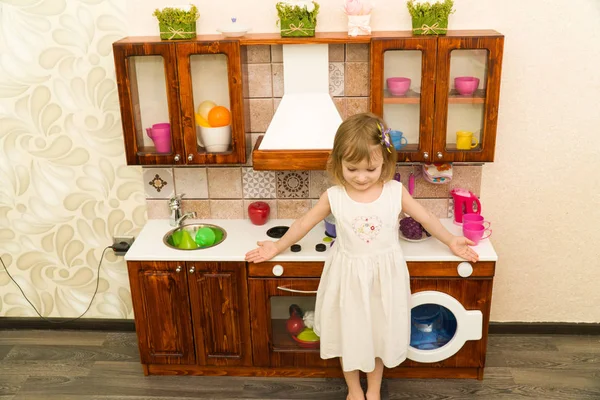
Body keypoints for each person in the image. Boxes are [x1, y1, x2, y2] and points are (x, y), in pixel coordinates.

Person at [245, 112, 479, 400]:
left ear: (384, 161)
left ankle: (375, 389)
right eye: (352, 169)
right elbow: (303, 224)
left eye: (370, 169)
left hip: (385, 280)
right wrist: (276, 246)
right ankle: (355, 390)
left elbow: (428, 218)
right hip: (347, 279)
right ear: (338, 163)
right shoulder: (334, 196)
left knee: (378, 335)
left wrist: (452, 240)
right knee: (350, 336)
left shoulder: (396, 192)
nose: (361, 177)